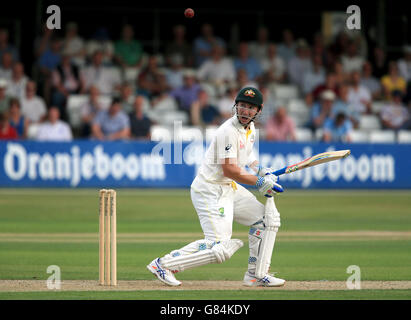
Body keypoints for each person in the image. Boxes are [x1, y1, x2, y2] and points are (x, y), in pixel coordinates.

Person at [146, 86, 286, 287]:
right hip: (209, 190)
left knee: (266, 221)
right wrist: (259, 182)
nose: (246, 111)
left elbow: (247, 156)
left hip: (228, 188)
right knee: (219, 247)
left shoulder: (250, 129)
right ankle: (163, 264)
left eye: (251, 107)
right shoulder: (227, 131)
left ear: (259, 111)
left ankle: (256, 274)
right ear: (236, 105)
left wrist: (261, 170)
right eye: (243, 105)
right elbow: (230, 169)